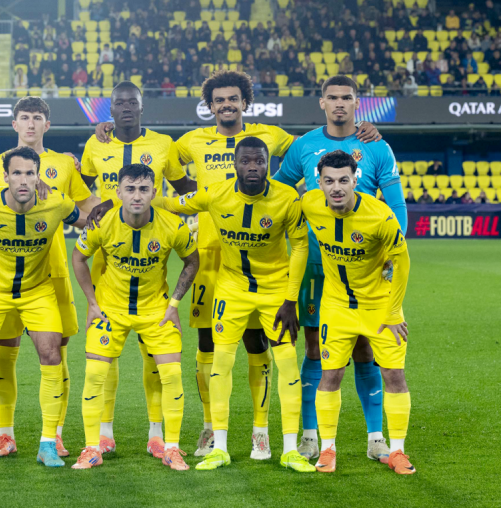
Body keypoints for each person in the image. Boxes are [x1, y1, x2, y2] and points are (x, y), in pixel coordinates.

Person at [92, 70, 382, 458]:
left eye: (233, 99)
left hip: (261, 259)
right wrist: (110, 131)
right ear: (209, 106)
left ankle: (261, 433)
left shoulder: (270, 135)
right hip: (209, 258)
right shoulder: (188, 142)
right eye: (219, 100)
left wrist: (359, 133)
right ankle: (211, 429)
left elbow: (316, 148)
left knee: (257, 341)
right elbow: (153, 166)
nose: (226, 105)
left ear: (245, 102)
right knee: (208, 344)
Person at [274, 75, 406, 463]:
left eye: (346, 97)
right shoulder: (303, 146)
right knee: (316, 348)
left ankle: (376, 437)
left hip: (365, 268)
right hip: (317, 267)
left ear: (356, 103)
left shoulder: (375, 145)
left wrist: (390, 257)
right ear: (322, 102)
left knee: (365, 347)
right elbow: (279, 192)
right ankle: (311, 436)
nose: (339, 104)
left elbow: (396, 205)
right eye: (332, 97)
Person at [164, 137, 313, 472]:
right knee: (221, 362)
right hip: (231, 288)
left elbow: (300, 248)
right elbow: (171, 203)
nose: (253, 167)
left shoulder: (287, 198)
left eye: (259, 161)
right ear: (235, 164)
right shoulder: (215, 193)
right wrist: (115, 203)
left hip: (276, 290)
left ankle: (288, 448)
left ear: (269, 164)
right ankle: (220, 447)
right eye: (246, 161)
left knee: (288, 363)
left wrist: (291, 299)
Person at [0, 146, 88, 468]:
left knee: (51, 355)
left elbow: (89, 222)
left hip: (38, 291)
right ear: (6, 176)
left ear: (39, 177)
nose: (23, 180)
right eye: (17, 173)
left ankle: (48, 444)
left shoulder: (56, 202)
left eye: (30, 173)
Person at [0, 97, 101, 459]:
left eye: (37, 118)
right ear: (14, 124)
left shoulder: (64, 164)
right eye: (24, 118)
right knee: (5, 353)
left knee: (55, 354)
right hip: (2, 275)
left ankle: (55, 435)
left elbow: (87, 206)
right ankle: (5, 435)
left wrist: (122, 208)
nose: (30, 124)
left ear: (47, 124)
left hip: (52, 271)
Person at [80, 81, 196, 456]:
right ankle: (104, 432)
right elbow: (80, 189)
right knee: (105, 351)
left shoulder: (163, 144)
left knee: (153, 353)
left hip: (152, 245)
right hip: (109, 253)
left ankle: (157, 433)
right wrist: (97, 205)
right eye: (120, 103)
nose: (126, 107)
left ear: (141, 107)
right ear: (110, 110)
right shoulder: (95, 144)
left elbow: (184, 185)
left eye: (133, 102)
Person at [71, 163, 199, 471]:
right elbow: (78, 257)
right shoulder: (103, 222)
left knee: (171, 375)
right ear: (118, 193)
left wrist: (174, 304)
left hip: (155, 310)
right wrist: (92, 302)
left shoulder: (172, 225)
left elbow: (192, 261)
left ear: (154, 192)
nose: (137, 196)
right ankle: (92, 448)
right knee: (94, 374)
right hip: (110, 309)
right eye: (130, 189)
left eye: (143, 189)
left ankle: (170, 448)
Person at [301, 150, 415, 475]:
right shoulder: (309, 204)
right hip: (335, 306)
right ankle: (328, 449)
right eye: (329, 181)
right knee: (330, 376)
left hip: (379, 307)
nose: (336, 188)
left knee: (394, 375)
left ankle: (397, 451)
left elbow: (402, 262)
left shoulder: (380, 216)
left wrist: (393, 312)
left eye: (343, 180)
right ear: (319, 182)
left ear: (355, 180)